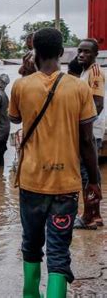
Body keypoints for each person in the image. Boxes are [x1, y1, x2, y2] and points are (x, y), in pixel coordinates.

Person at [9, 28, 100, 297]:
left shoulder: (21, 85)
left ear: (34, 52)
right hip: (65, 186)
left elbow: (14, 119)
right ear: (62, 53)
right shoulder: (79, 87)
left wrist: (26, 74)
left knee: (31, 246)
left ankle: (30, 295)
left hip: (31, 183)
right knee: (59, 252)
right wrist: (93, 180)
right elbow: (87, 141)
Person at [74, 38, 105, 229]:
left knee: (87, 173)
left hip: (91, 130)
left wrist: (85, 127)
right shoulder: (84, 72)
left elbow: (98, 103)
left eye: (86, 52)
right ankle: (96, 215)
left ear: (95, 55)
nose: (82, 55)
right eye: (80, 51)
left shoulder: (94, 72)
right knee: (92, 173)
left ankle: (88, 216)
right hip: (90, 129)